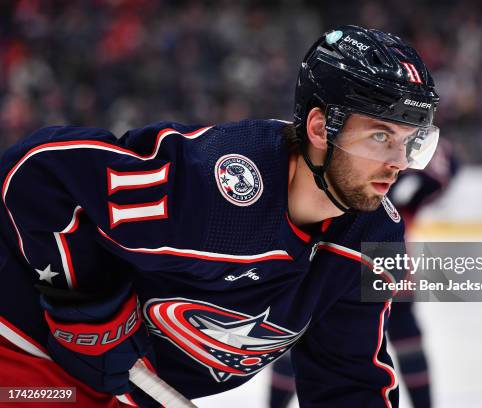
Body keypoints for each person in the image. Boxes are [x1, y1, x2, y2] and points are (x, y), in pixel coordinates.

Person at [0, 25, 439, 407]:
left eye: (411, 141)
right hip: (26, 354)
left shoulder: (373, 236)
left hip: (130, 391)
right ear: (321, 128)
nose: (398, 161)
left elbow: (349, 381)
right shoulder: (218, 187)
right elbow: (36, 173)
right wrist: (87, 308)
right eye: (380, 135)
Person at [268, 142, 458, 408]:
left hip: (349, 256)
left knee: (301, 331)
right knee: (405, 338)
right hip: (374, 255)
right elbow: (444, 173)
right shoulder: (407, 156)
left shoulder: (368, 151)